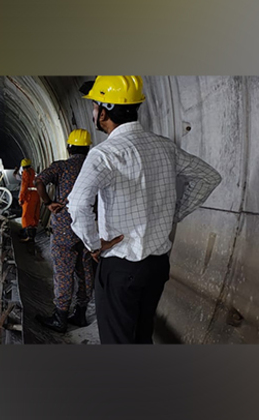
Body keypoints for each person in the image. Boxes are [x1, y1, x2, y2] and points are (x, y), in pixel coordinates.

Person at [67, 75, 222, 344]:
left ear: (103, 112)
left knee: (118, 342)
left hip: (120, 266)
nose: (93, 112)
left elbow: (78, 204)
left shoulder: (105, 154)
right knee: (141, 336)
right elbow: (208, 177)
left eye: (94, 106)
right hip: (157, 265)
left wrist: (93, 244)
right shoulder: (164, 146)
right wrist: (175, 213)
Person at [34, 129, 96, 333]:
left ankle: (60, 316)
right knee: (85, 269)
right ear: (88, 148)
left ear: (69, 147)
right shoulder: (94, 166)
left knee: (63, 271)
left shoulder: (61, 166)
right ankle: (80, 312)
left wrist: (48, 203)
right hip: (88, 227)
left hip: (64, 228)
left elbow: (39, 181)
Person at [13, 158, 40, 242]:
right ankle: (31, 234)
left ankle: (28, 236)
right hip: (36, 195)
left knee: (26, 216)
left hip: (29, 196)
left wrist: (21, 198)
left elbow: (24, 186)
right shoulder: (33, 172)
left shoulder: (26, 173)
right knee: (34, 215)